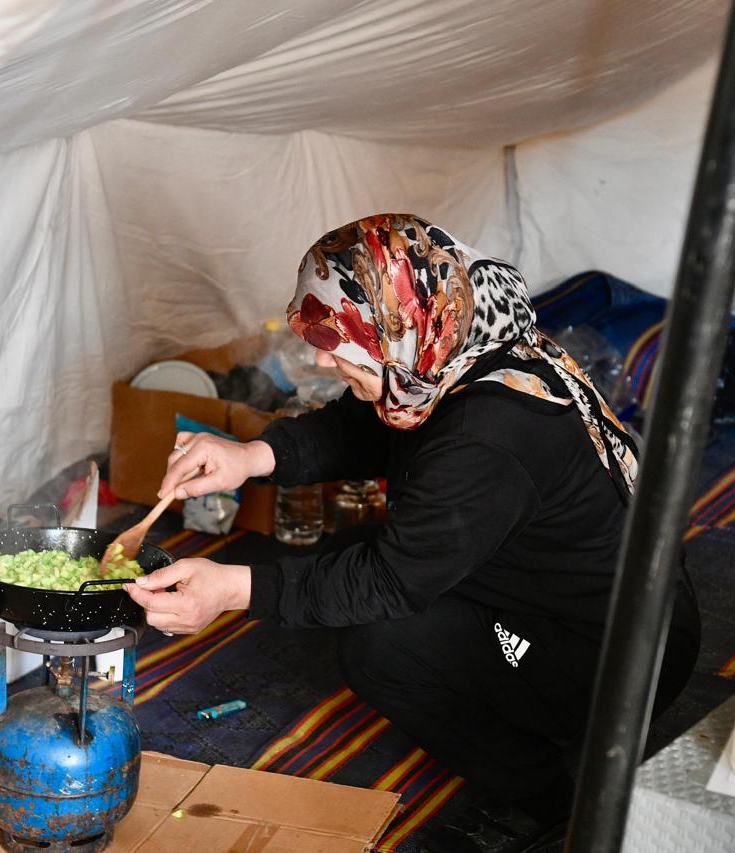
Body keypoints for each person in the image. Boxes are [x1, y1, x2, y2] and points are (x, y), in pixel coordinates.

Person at [125, 214, 700, 853]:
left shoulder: (490, 437)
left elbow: (390, 582)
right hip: (574, 595)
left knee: (381, 643)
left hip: (612, 658)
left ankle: (552, 796)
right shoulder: (454, 351)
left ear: (401, 323)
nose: (321, 358)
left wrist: (232, 590)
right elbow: (361, 426)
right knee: (344, 561)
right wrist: (250, 456)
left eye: (339, 337)